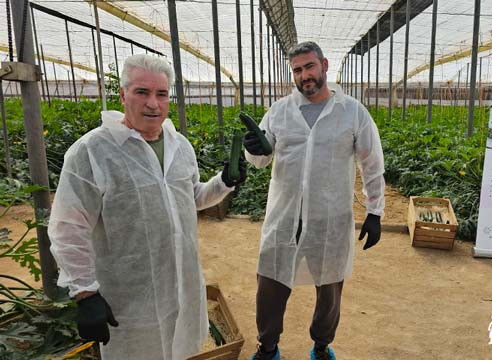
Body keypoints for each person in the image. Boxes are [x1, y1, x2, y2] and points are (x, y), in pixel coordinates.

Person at [48, 54, 246, 360]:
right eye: (142, 92)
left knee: (183, 348)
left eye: (161, 94)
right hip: (130, 300)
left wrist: (224, 181)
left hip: (182, 287)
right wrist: (85, 293)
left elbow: (191, 197)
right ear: (123, 94)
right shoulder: (92, 152)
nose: (153, 103)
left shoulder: (179, 144)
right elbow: (68, 228)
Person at [244, 41, 385, 360]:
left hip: (330, 219)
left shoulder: (352, 111)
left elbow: (371, 162)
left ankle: (321, 346)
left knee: (330, 289)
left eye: (309, 67)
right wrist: (253, 148)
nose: (304, 75)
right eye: (297, 70)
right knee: (270, 284)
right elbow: (260, 159)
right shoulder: (280, 111)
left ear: (324, 64)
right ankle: (268, 347)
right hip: (284, 218)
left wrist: (375, 211)